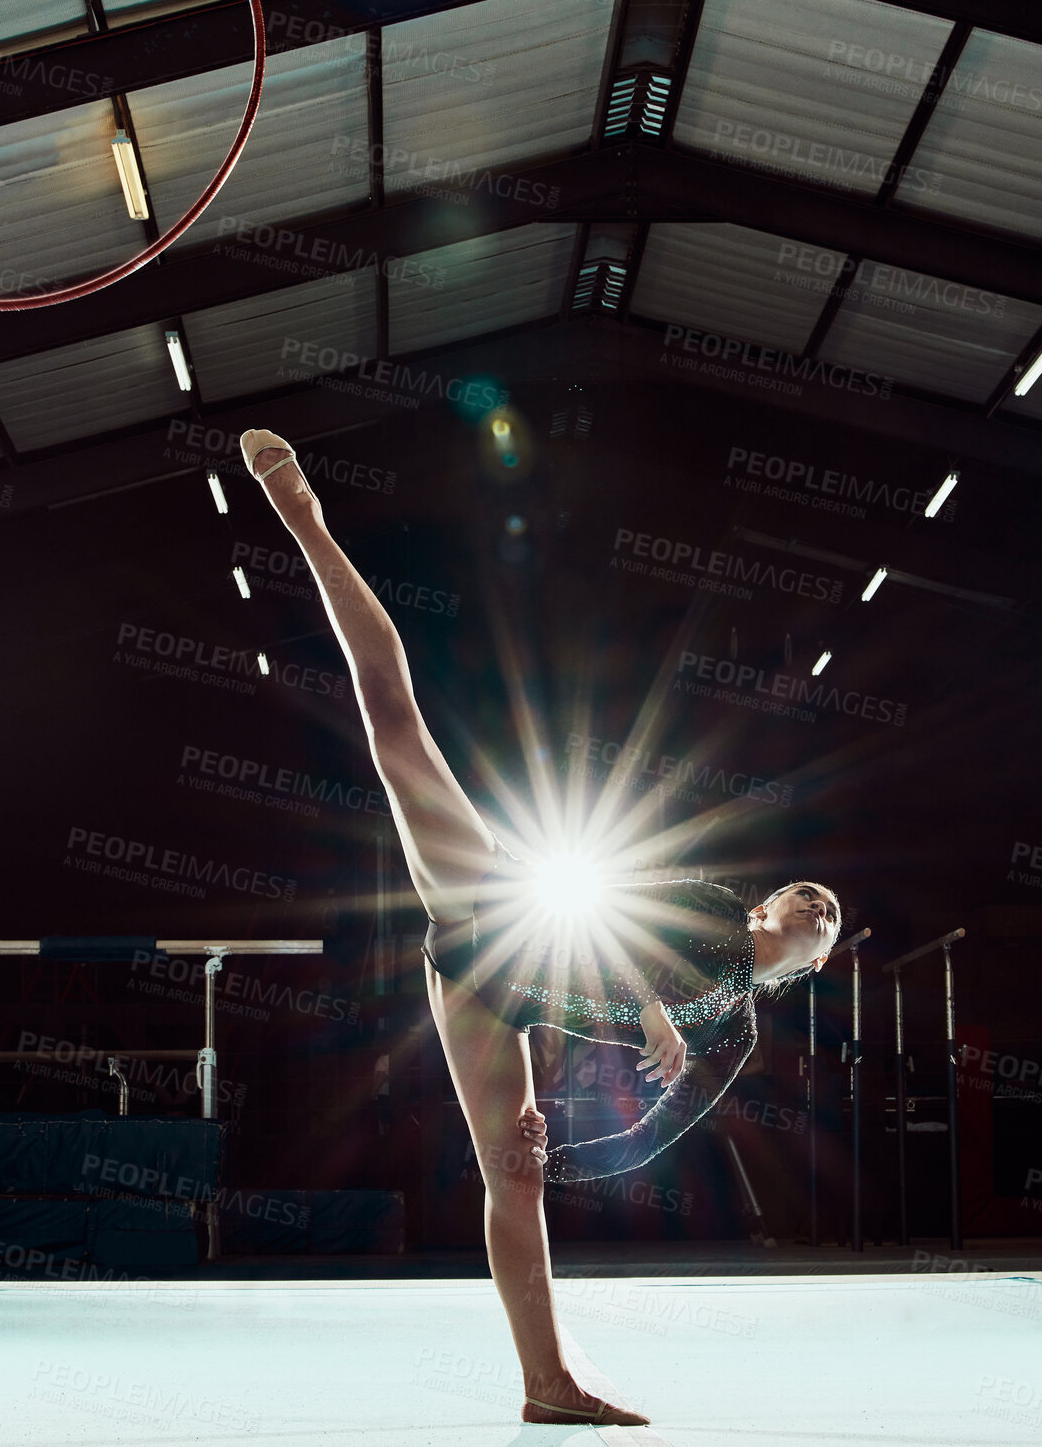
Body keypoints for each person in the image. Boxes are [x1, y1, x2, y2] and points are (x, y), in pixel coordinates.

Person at [240, 428, 842, 1427]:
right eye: (804, 893)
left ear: (807, 962)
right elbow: (597, 900)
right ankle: (303, 517)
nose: (815, 904)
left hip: (486, 990)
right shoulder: (703, 904)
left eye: (828, 917)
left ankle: (546, 1386)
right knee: (397, 730)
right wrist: (651, 1009)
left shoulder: (735, 1030)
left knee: (512, 1185)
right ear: (764, 907)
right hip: (500, 907)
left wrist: (556, 1153)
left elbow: (658, 1133)